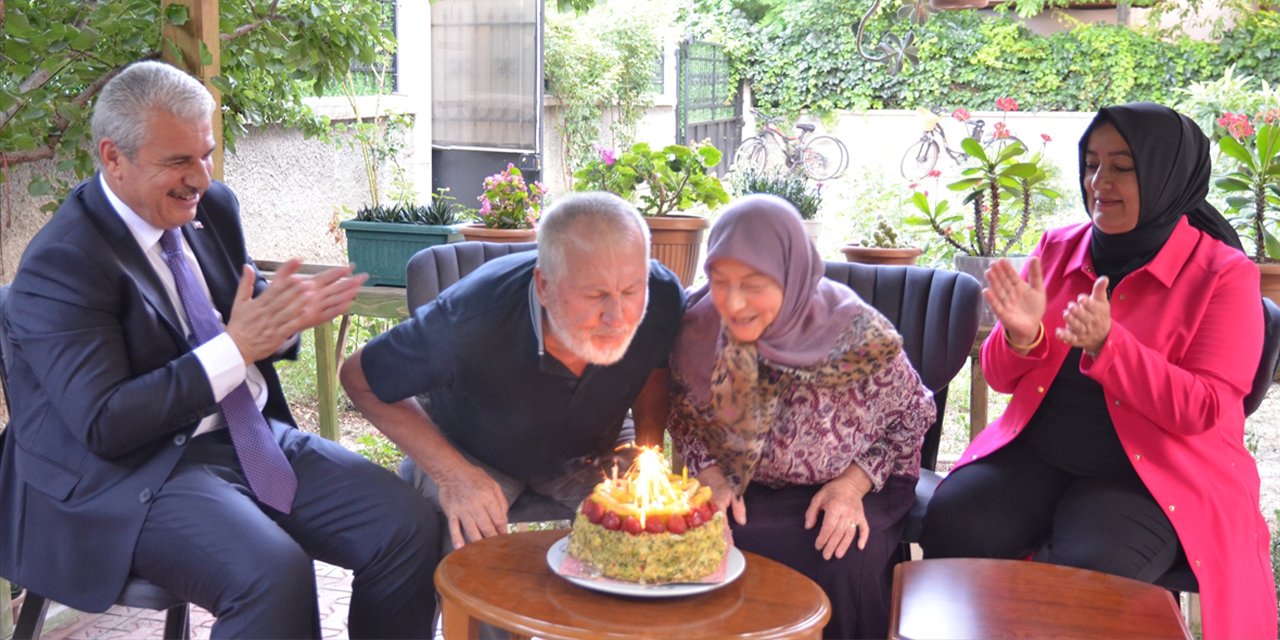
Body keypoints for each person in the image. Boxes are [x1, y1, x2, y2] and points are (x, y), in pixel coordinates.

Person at [0, 61, 440, 639]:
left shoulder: (212, 209)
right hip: (128, 473)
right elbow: (105, 423)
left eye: (205, 154)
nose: (200, 177)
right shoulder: (64, 262)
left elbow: (247, 313)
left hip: (243, 436)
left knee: (409, 528)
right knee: (271, 571)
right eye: (178, 161)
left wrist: (281, 323)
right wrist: (235, 349)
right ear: (113, 158)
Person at [920, 103, 1277, 639]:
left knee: (1083, 581)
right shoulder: (1058, 247)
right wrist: (1021, 335)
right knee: (955, 520)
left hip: (1151, 477)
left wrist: (1112, 346)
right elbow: (998, 376)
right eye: (1091, 164)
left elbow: (1202, 409)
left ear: (1165, 173)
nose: (1099, 182)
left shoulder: (1223, 276)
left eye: (1122, 167)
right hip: (1040, 455)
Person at [340, 191, 685, 552]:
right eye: (595, 295)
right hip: (474, 451)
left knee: (648, 548)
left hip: (594, 449)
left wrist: (649, 458)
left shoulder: (660, 297)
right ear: (544, 286)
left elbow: (653, 370)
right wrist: (453, 474)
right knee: (470, 568)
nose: (618, 317)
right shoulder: (466, 321)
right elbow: (358, 378)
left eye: (631, 290)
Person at [667, 195, 936, 639]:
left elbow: (912, 416)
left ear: (791, 276)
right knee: (705, 554)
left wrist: (852, 485)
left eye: (753, 283)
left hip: (859, 481)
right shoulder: (698, 326)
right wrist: (711, 475)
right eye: (720, 280)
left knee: (839, 558)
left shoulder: (853, 333)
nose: (732, 303)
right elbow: (686, 415)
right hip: (746, 487)